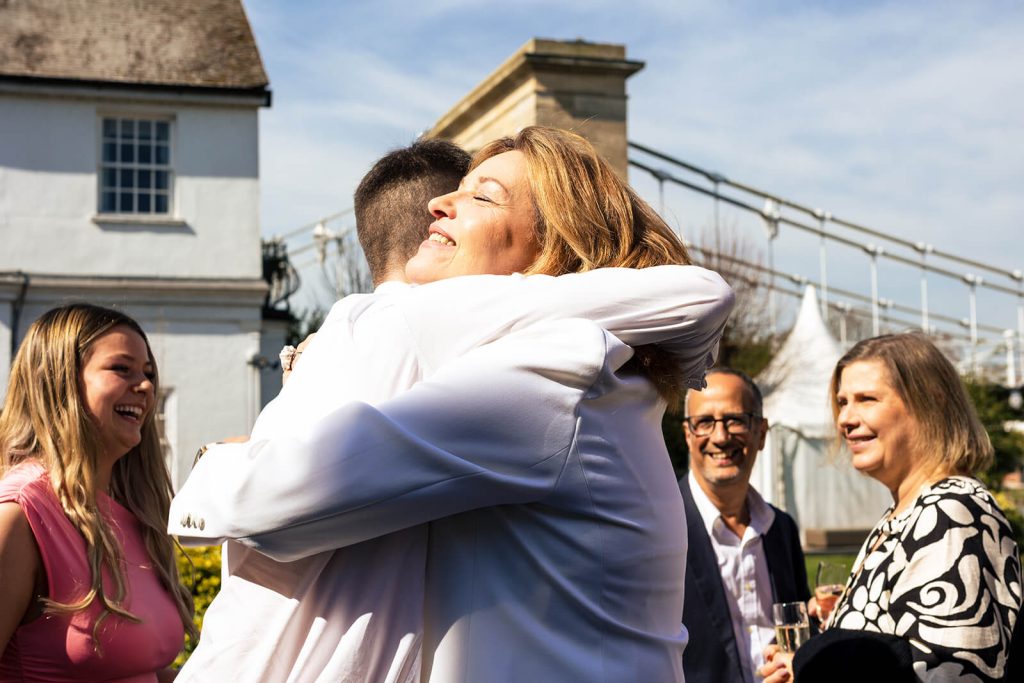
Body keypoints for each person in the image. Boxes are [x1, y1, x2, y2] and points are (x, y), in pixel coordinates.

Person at [170, 126, 735, 682]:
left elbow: (279, 503)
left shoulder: (548, 379)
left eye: (482, 195)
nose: (438, 204)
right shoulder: (590, 371)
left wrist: (211, 463)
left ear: (554, 251)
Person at [761, 332, 1022, 683]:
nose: (845, 419)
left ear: (931, 402)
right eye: (842, 402)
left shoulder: (952, 513)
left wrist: (811, 661)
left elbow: (948, 673)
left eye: (866, 399)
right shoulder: (906, 511)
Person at [0, 303, 194, 681]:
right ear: (59, 380)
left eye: (149, 374)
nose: (146, 387)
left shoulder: (134, 516)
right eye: (122, 368)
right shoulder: (20, 514)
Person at [679, 368, 809, 683]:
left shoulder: (781, 528)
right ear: (688, 434)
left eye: (735, 419)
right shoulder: (661, 528)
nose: (720, 437)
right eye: (705, 422)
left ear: (761, 433)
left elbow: (799, 631)